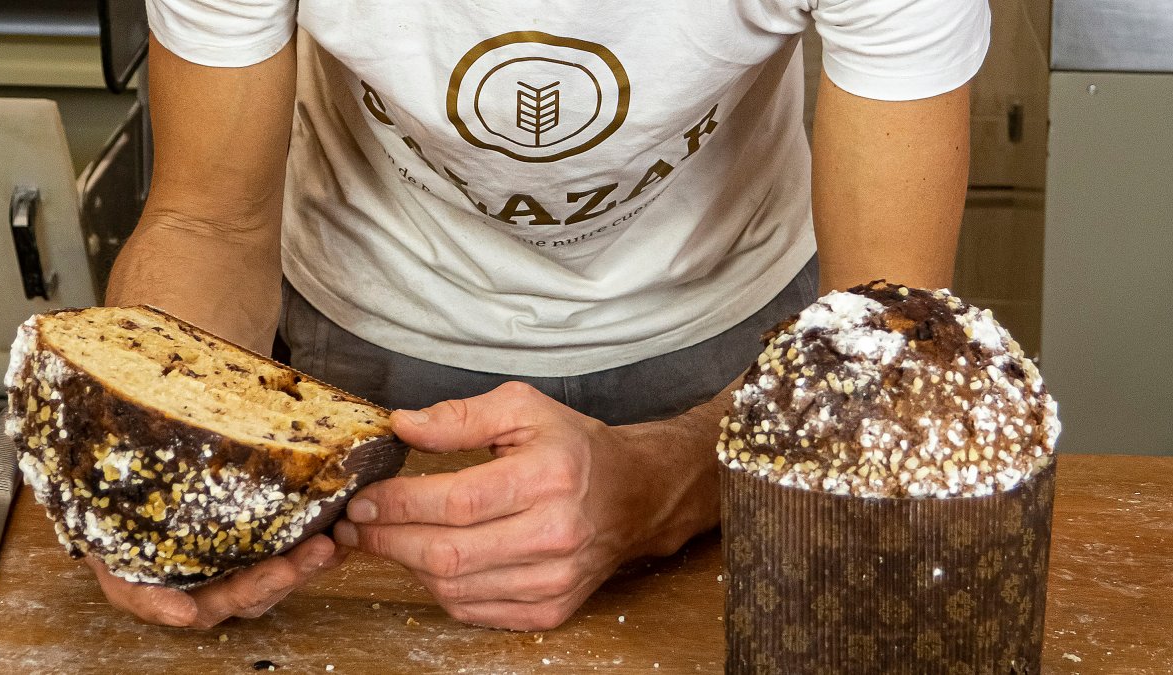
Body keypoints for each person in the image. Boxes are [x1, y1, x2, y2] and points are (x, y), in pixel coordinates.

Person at [92, 0, 988, 630]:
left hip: (738, 359)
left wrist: (660, 486)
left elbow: (884, 346)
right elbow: (207, 218)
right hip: (362, 351)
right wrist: (144, 453)